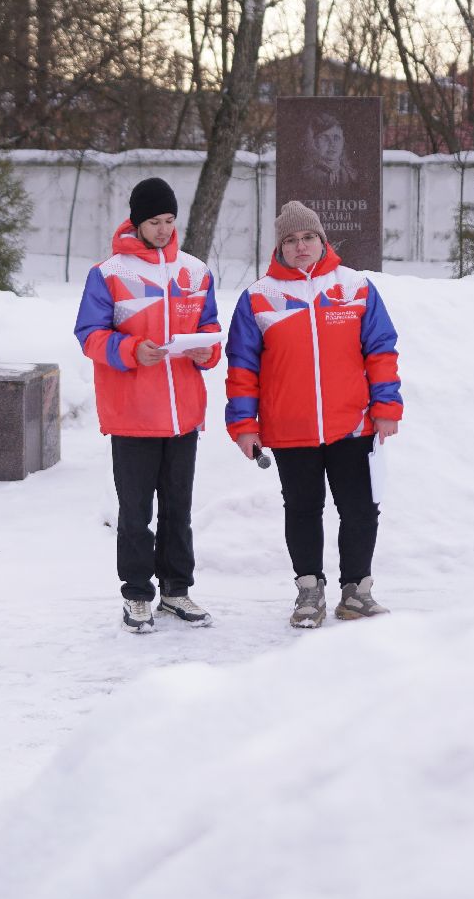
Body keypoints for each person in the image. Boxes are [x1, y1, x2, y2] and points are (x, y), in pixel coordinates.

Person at [225, 201, 402, 627]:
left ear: (323, 240)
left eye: (308, 238)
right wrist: (244, 425)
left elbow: (380, 350)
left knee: (360, 509)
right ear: (280, 247)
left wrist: (386, 406)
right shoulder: (258, 297)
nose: (300, 246)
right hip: (290, 427)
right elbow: (242, 367)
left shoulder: (355, 287)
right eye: (291, 240)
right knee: (302, 509)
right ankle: (309, 590)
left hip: (352, 423)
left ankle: (356, 591)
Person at [74, 178, 221, 633]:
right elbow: (90, 336)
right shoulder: (109, 273)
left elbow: (211, 327)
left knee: (179, 509)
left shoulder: (195, 272)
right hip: (133, 416)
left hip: (183, 416)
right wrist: (131, 350)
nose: (162, 229)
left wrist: (206, 352)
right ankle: (137, 594)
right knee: (135, 513)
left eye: (169, 220)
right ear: (137, 223)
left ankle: (177, 590)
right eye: (154, 221)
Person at [296, 112, 357, 189]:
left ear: (343, 142)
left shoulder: (350, 176)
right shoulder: (304, 177)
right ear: (314, 142)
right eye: (325, 138)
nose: (332, 144)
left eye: (336, 138)